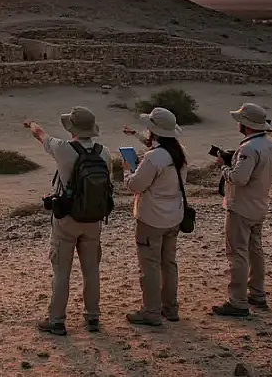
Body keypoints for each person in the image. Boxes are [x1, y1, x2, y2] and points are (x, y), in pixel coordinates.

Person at [24, 106, 114, 336]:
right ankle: (93, 317)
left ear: (72, 128)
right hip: (94, 219)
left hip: (67, 219)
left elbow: (40, 134)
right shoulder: (104, 153)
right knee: (91, 270)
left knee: (61, 272)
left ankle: (56, 320)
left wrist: (31, 124)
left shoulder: (63, 148)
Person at [211, 103, 272, 317]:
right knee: (255, 250)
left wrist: (224, 167)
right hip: (259, 204)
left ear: (246, 125)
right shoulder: (271, 146)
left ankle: (238, 301)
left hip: (241, 207)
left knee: (237, 253)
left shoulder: (248, 149)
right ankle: (257, 293)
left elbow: (239, 178)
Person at [121, 107, 186, 326]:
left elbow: (136, 185)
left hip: (152, 218)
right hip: (174, 215)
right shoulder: (179, 153)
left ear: (154, 131)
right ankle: (170, 308)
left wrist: (127, 171)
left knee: (150, 266)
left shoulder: (153, 157)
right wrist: (136, 135)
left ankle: (151, 311)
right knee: (169, 264)